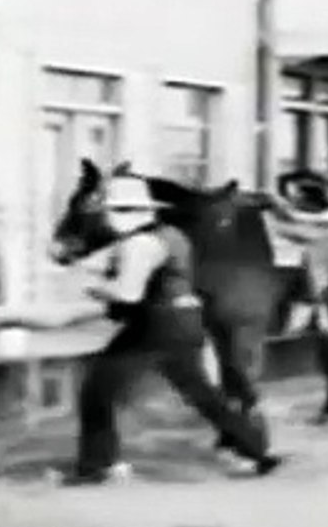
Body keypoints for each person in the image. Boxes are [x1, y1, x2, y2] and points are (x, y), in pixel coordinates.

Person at [61, 175, 284, 486]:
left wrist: (96, 289)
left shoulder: (139, 244)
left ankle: (97, 467)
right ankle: (258, 452)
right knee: (204, 396)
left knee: (98, 390)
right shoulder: (172, 235)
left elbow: (128, 294)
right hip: (186, 322)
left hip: (155, 325)